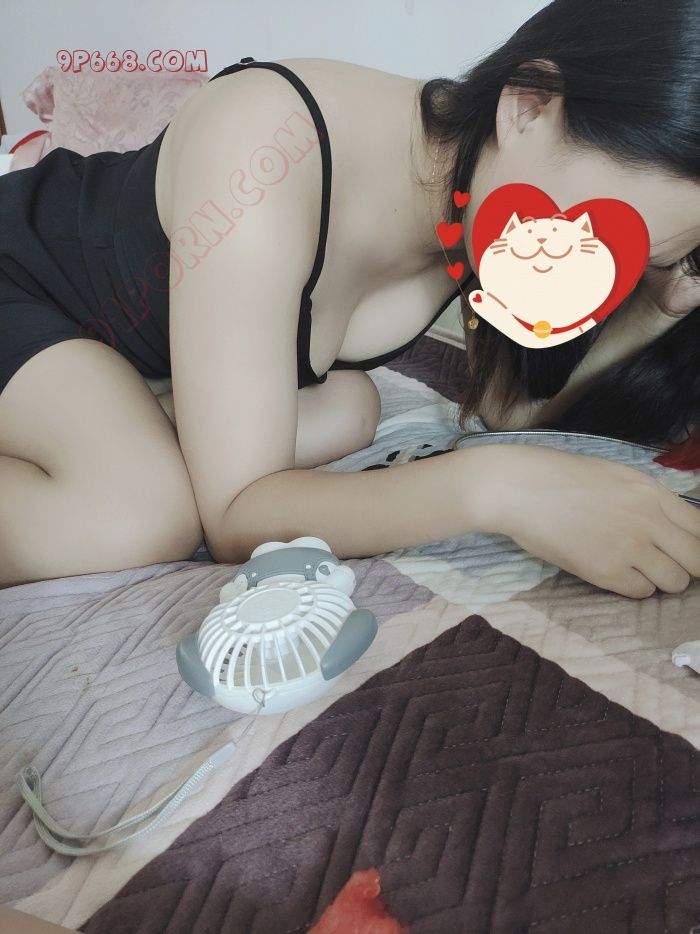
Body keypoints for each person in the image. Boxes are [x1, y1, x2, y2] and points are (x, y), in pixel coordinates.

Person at [0, 0, 698, 599]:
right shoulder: (267, 143)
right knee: (142, 511)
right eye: (608, 242)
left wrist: (661, 304)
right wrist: (498, 488)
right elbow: (237, 517)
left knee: (349, 409)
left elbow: (505, 410)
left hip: (104, 359)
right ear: (530, 106)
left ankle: (136, 422)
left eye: (642, 263)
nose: (596, 281)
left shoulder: (480, 203)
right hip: (20, 279)